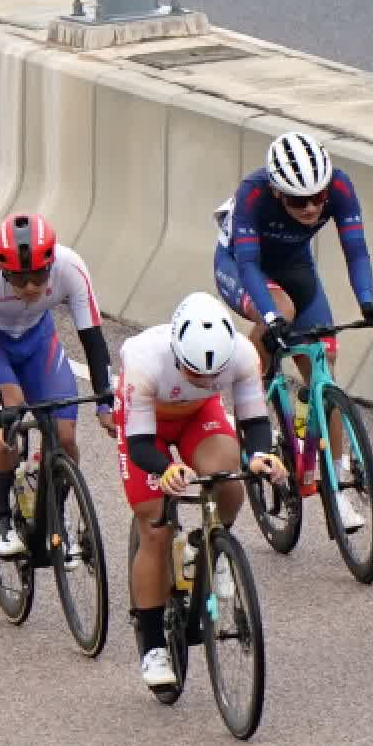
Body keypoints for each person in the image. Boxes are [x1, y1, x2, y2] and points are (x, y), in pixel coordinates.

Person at [115, 293, 283, 694]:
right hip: (147, 425)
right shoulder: (144, 359)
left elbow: (254, 422)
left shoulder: (242, 355)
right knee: (154, 527)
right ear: (177, 353)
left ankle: (206, 543)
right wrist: (166, 469)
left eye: (214, 377)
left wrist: (262, 456)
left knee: (229, 478)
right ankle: (154, 644)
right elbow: (140, 446)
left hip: (198, 418)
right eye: (195, 373)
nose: (207, 382)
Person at [0, 212, 117, 559]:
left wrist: (106, 403)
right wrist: (0, 417)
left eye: (38, 277)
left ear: (51, 263)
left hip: (37, 340)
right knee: (11, 416)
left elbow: (92, 339)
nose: (30, 287)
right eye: (19, 279)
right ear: (3, 271)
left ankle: (53, 517)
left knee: (65, 435)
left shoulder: (70, 266)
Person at [212, 129, 373, 394]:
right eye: (298, 200)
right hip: (239, 264)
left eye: (318, 197)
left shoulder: (339, 186)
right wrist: (270, 318)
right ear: (277, 193)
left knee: (324, 365)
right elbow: (248, 264)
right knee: (281, 311)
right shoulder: (252, 193)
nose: (310, 208)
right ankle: (248, 403)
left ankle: (310, 419)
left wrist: (368, 304)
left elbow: (356, 251)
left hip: (294, 265)